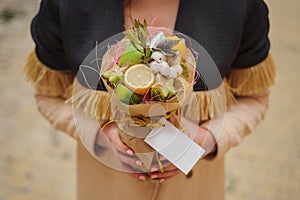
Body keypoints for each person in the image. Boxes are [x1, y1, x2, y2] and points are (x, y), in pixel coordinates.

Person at [24, 0, 275, 199]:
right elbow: (48, 98)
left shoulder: (238, 5)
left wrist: (206, 140)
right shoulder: (67, 4)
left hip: (195, 189)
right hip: (104, 187)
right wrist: (100, 135)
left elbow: (255, 99)